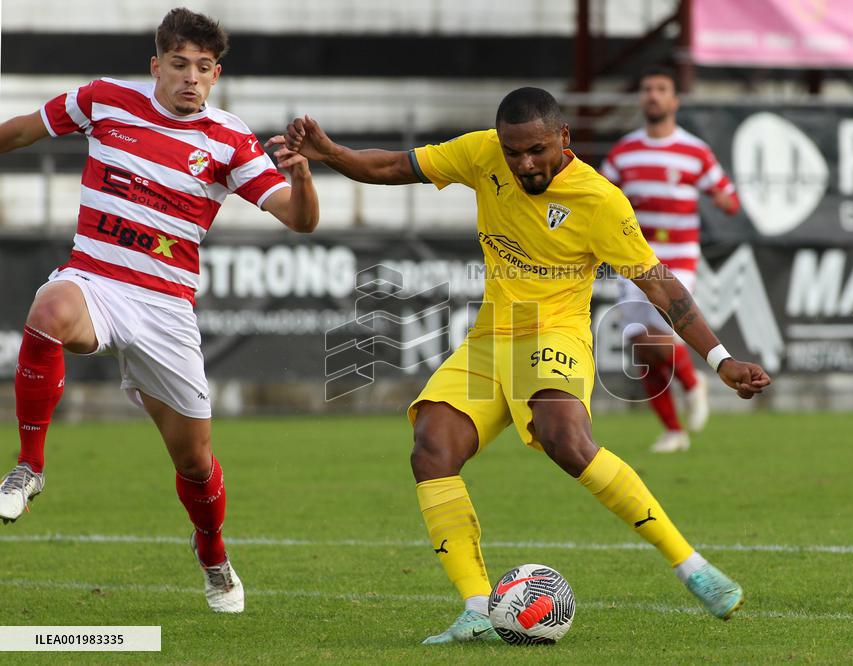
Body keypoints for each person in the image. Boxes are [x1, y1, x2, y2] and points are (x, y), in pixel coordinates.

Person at [277, 87, 769, 643]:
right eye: (513, 152)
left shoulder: (599, 201)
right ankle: (476, 610)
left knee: (565, 438)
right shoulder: (483, 152)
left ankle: (692, 567)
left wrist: (720, 359)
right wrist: (331, 152)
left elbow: (661, 286)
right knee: (431, 448)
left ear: (564, 138)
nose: (524, 163)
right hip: (490, 340)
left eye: (536, 150)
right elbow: (396, 165)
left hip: (555, 334)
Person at [0, 8, 319, 613]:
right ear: (156, 66)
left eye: (203, 68)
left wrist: (302, 181)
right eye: (179, 65)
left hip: (166, 310)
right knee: (49, 307)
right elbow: (20, 132)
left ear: (216, 74)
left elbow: (299, 220)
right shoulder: (103, 100)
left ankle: (214, 556)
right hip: (96, 279)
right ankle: (29, 467)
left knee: (195, 462)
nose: (190, 78)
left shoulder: (230, 140)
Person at [601, 66, 740, 453]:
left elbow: (729, 197)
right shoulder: (624, 151)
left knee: (662, 338)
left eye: (661, 89)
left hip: (678, 259)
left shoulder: (694, 151)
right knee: (641, 347)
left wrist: (724, 200)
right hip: (633, 259)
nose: (653, 95)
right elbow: (598, 197)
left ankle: (694, 384)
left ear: (674, 100)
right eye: (647, 88)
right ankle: (673, 431)